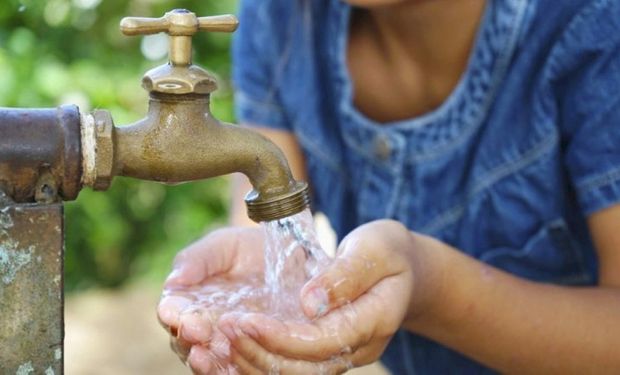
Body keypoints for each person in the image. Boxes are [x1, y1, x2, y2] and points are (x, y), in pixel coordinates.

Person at [158, 0, 620, 373]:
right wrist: (248, 307)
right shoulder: (280, 17)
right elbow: (267, 217)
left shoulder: (594, 26)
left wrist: (430, 286)